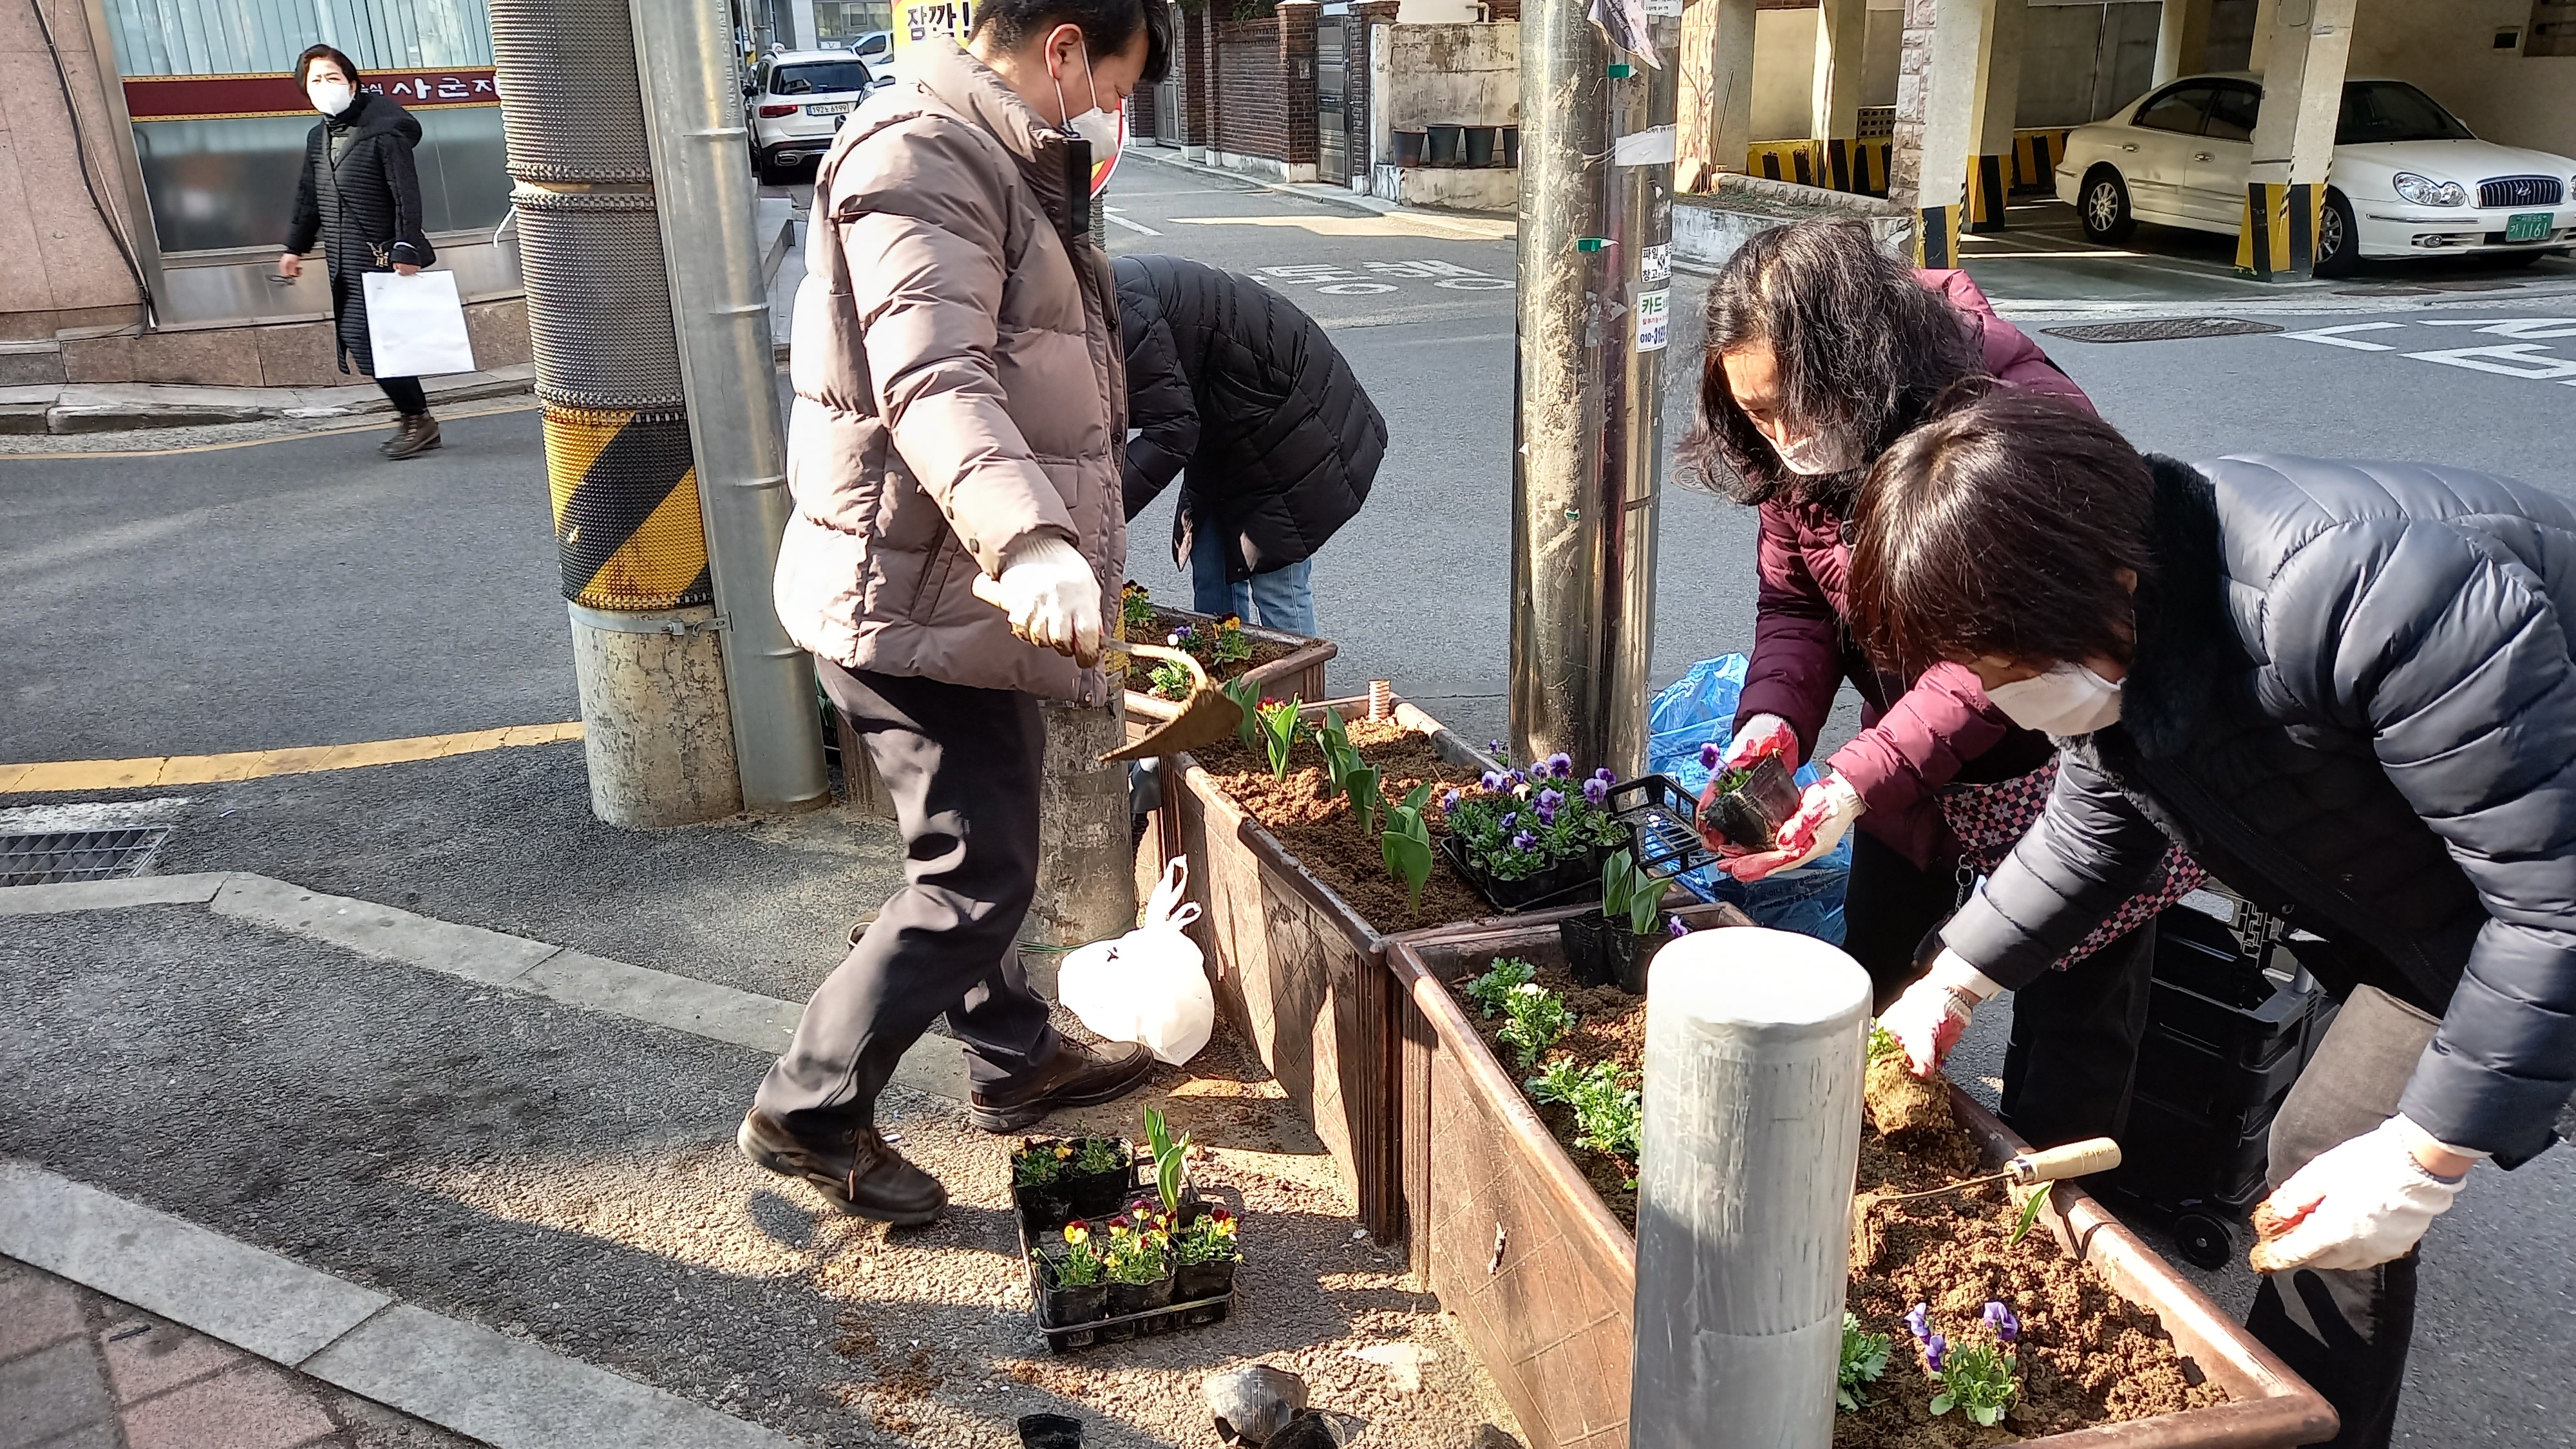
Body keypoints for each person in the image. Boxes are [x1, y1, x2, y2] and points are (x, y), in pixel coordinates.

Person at [1859, 391, 2576, 1449]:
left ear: (2104, 581)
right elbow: (2099, 826)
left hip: (2539, 875)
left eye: (2007, 674)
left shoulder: (2369, 597)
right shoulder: (2134, 629)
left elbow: (2552, 907)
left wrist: (2428, 1155)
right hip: (2444, 892)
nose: (2004, 704)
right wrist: (1954, 980)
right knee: (2332, 1151)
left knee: (2361, 1152)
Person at [741, 0, 1171, 1226]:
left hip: (946, 593)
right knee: (973, 871)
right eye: (1112, 87)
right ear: (1065, 47)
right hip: (924, 589)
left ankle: (1017, 1054)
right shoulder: (921, 153)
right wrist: (1030, 537)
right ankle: (810, 1109)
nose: (1109, 118)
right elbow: (933, 374)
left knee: (982, 836)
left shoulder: (985, 150)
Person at [1682, 216, 2196, 1155]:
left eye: (1797, 401)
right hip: (1913, 767)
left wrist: (1856, 777)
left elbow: (1997, 659)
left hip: (2059, 759)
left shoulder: (2012, 413)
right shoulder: (1799, 456)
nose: (1788, 434)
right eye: (1757, 414)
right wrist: (1775, 725)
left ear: (1857, 356)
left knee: (2074, 1007)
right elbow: (1796, 605)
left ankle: (2051, 1215)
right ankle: (1856, 1156)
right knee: (1877, 966)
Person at [1115, 252, 1385, 637]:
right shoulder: (1094, 307)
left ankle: (1297, 691)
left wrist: (1101, 513)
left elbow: (1172, 430)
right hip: (1227, 424)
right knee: (1210, 568)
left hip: (1293, 420)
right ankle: (1223, 687)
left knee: (1275, 581)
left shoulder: (1121, 310)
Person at [280, 45, 440, 460]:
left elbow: (406, 194)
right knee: (365, 341)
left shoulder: (383, 131)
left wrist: (406, 245)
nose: (325, 87)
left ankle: (418, 419)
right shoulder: (320, 137)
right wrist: (295, 248)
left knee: (377, 342)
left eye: (333, 78)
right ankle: (415, 417)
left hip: (383, 256)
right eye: (316, 80)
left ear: (352, 83)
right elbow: (308, 197)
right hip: (344, 259)